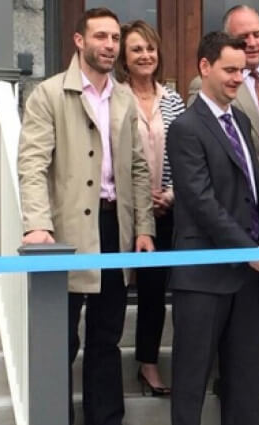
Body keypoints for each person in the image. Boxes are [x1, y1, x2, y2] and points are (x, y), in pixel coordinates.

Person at [17, 7, 155, 425]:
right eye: (101, 36)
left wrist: (143, 228)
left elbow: (137, 167)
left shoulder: (122, 98)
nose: (110, 45)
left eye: (115, 37)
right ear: (79, 41)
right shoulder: (49, 94)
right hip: (68, 230)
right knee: (63, 336)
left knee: (107, 333)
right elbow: (32, 164)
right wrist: (38, 224)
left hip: (115, 226)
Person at [166, 31, 259, 425]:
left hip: (245, 273)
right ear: (204, 68)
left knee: (243, 374)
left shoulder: (240, 123)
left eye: (242, 70)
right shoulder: (185, 128)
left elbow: (248, 194)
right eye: (228, 70)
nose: (237, 78)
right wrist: (248, 248)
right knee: (192, 375)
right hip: (202, 273)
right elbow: (200, 201)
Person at [187, 5, 259, 396]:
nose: (252, 43)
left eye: (257, 34)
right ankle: (231, 372)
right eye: (242, 38)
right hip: (232, 205)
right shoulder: (202, 85)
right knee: (234, 293)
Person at [114, 19, 185, 397]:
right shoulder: (114, 96)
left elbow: (187, 152)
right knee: (131, 290)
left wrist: (172, 193)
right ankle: (135, 364)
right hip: (129, 209)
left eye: (150, 48)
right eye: (137, 49)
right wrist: (142, 200)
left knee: (162, 288)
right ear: (125, 56)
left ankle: (153, 363)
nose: (145, 55)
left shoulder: (173, 99)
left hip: (170, 207)